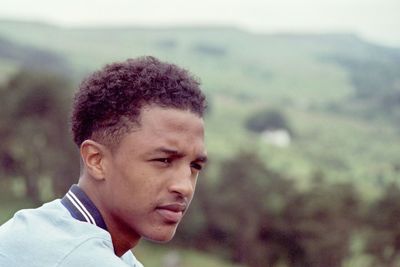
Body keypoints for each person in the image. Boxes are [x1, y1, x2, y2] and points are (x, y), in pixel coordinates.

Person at [0, 56, 208, 267]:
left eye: (195, 166)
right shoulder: (76, 257)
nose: (184, 186)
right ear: (96, 160)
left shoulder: (46, 227)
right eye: (163, 160)